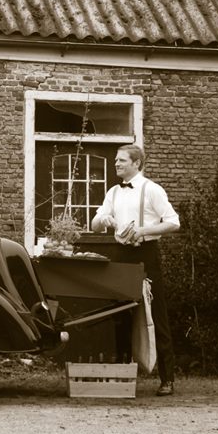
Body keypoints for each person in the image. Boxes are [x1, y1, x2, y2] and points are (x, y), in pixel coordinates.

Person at [91, 144, 180, 396]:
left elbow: (173, 222)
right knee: (120, 314)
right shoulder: (113, 192)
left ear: (136, 163)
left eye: (121, 160)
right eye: (116, 160)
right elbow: (95, 224)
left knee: (156, 314)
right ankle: (122, 377)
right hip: (121, 255)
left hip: (146, 254)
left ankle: (167, 379)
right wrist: (103, 219)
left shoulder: (152, 190)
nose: (116, 164)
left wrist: (142, 231)